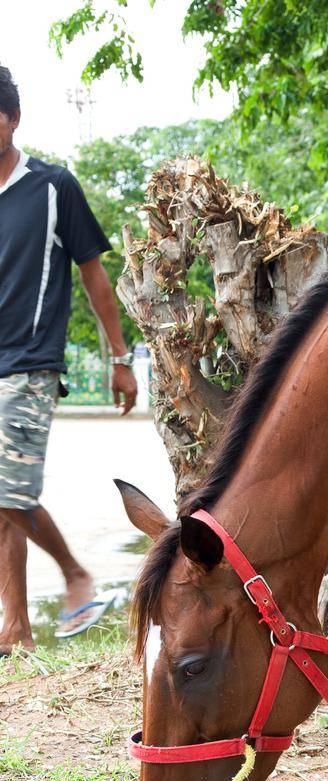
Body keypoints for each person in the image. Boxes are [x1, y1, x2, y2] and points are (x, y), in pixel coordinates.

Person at [0, 65, 138, 654]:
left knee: (7, 491)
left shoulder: (54, 187)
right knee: (5, 495)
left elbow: (93, 274)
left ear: (14, 119)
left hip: (30, 362)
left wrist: (120, 356)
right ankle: (17, 629)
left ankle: (77, 575)